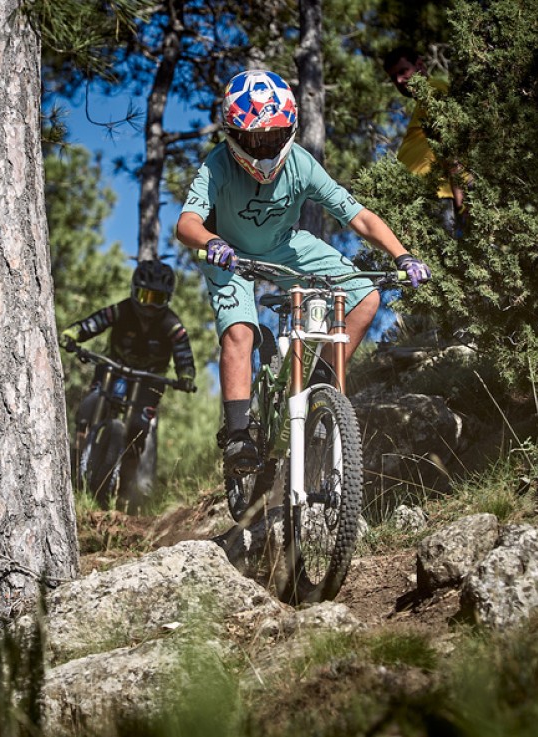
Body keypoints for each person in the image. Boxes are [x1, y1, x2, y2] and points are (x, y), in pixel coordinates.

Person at [175, 69, 430, 477]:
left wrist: (403, 255)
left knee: (366, 297)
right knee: (240, 331)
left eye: (273, 137)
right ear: (233, 134)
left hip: (285, 246)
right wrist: (212, 243)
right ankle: (239, 433)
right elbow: (187, 223)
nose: (264, 148)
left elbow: (358, 217)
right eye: (254, 139)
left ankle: (321, 393)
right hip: (229, 254)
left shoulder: (301, 164)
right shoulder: (218, 164)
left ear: (290, 129)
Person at [59, 260, 197, 494]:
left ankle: (125, 493)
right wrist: (74, 333)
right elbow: (97, 322)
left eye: (158, 299)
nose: (150, 306)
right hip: (114, 369)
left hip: (149, 381)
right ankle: (74, 459)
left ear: (168, 299)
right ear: (134, 292)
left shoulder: (172, 325)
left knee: (139, 429)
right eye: (145, 296)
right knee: (89, 405)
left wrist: (186, 375)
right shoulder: (121, 310)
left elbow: (183, 351)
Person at [382, 46, 471, 237]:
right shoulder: (423, 102)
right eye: (393, 77)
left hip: (436, 198)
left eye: (403, 71)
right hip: (420, 201)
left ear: (420, 65)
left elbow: (449, 145)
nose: (399, 80)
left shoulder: (433, 89)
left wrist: (461, 202)